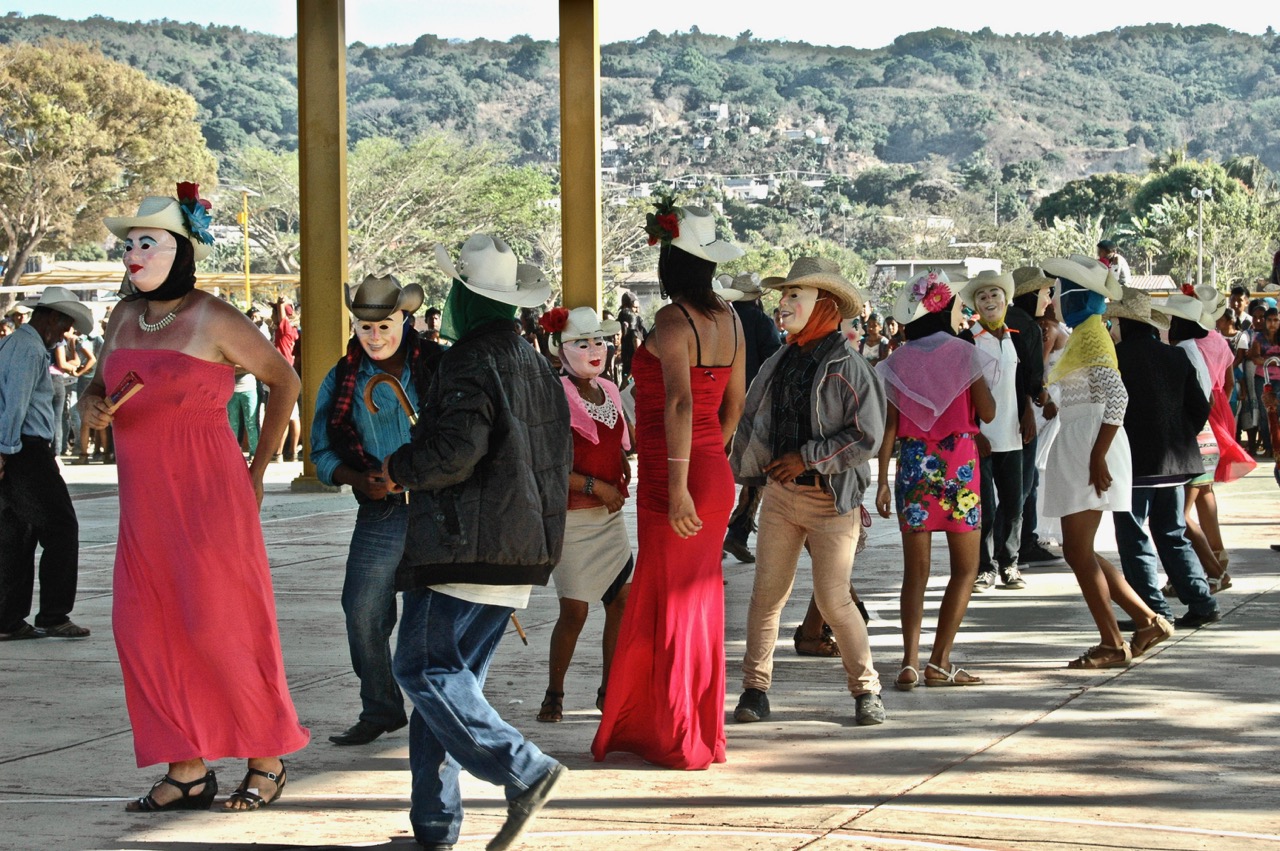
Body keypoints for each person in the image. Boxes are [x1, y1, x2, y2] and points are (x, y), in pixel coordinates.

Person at [82, 185, 309, 811]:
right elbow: (97, 384)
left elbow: (286, 380)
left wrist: (259, 469)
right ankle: (186, 769)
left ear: (180, 249)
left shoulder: (214, 316)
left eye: (147, 242)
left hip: (210, 497)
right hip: (144, 504)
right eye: (129, 244)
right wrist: (91, 405)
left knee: (220, 627)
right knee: (142, 630)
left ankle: (267, 759)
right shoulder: (124, 317)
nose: (132, 253)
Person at [383, 234, 571, 851]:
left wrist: (400, 467)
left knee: (422, 670)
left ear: (466, 298)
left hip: (464, 547)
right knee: (445, 695)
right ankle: (435, 826)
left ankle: (525, 769)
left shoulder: (470, 359)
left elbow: (455, 453)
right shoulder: (533, 361)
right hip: (518, 547)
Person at [593, 202, 745, 770]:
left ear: (670, 263)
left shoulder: (672, 320)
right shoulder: (730, 319)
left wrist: (680, 485)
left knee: (672, 602)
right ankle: (693, 730)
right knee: (694, 601)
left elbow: (679, 402)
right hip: (710, 470)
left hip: (673, 477)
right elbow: (734, 405)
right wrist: (708, 459)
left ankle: (678, 736)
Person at [729, 257, 887, 724]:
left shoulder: (850, 366)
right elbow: (754, 422)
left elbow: (867, 436)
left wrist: (808, 457)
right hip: (781, 496)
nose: (783, 303)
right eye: (784, 294)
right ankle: (754, 690)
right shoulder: (781, 359)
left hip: (829, 499)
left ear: (827, 305)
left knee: (834, 599)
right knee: (766, 597)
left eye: (795, 295)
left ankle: (867, 691)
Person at [311, 274, 441, 746]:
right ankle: (381, 706)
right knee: (363, 611)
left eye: (384, 326)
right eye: (365, 328)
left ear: (405, 321)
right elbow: (321, 452)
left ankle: (442, 711)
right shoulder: (342, 376)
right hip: (381, 512)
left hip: (437, 509)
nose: (375, 336)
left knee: (437, 619)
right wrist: (356, 478)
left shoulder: (439, 367)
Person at [1039, 256, 1163, 668]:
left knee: (1078, 551)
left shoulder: (1091, 334)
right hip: (1082, 440)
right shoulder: (1084, 333)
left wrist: (1097, 456)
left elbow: (1118, 397)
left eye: (1057, 293)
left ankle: (1114, 641)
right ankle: (1146, 621)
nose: (1052, 300)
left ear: (1073, 296)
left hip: (1091, 444)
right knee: (1081, 550)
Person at [876, 271, 996, 689]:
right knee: (966, 568)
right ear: (943, 308)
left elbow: (890, 427)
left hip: (913, 464)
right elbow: (989, 411)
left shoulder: (897, 360)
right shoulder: (965, 352)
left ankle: (909, 662)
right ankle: (939, 661)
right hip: (959, 463)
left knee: (916, 572)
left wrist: (882, 481)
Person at [535, 306, 633, 723]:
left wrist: (620, 465)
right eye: (581, 343)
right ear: (560, 350)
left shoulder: (609, 389)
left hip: (609, 518)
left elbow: (617, 441)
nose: (594, 350)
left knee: (621, 602)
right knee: (574, 611)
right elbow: (548, 465)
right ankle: (554, 694)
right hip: (573, 518)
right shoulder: (553, 396)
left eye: (599, 341)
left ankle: (610, 691)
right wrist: (597, 486)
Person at [1107, 288, 1212, 645]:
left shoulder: (1116, 358)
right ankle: (1201, 601)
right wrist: (1179, 435)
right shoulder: (1175, 356)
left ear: (1124, 322)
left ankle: (1153, 612)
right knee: (1172, 533)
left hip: (1134, 462)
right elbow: (1199, 407)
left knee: (1134, 536)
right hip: (1175, 462)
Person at [0, 287, 93, 641]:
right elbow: (16, 403)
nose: (64, 335)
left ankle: (8, 618)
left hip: (19, 447)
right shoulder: (27, 348)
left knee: (17, 533)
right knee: (61, 527)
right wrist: (6, 449)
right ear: (52, 318)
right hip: (25, 449)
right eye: (65, 326)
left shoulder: (16, 344)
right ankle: (54, 614)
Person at [959, 271, 1038, 592]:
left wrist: (1028, 410)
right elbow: (962, 393)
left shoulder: (1014, 337)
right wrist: (973, 431)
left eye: (995, 294)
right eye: (983, 296)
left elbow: (1022, 381)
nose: (989, 300)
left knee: (1014, 504)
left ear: (1006, 301)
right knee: (985, 508)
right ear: (976, 305)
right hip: (980, 439)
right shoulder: (967, 341)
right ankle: (984, 568)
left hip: (1012, 436)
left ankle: (1009, 564)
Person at [722, 271, 783, 564]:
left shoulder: (721, 321)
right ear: (757, 297)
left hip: (717, 407)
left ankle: (710, 538)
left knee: (716, 474)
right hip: (753, 408)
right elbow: (775, 363)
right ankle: (738, 532)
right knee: (755, 476)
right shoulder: (762, 322)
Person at [1009, 267, 1060, 567]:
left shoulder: (1006, 321)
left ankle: (1014, 542)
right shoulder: (1028, 327)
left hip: (1005, 414)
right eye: (1044, 293)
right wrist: (1039, 398)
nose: (1048, 299)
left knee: (1018, 480)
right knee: (1025, 481)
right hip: (1023, 412)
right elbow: (1031, 375)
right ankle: (1021, 543)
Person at [271, 297, 302, 460]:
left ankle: (278, 452)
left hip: (283, 375)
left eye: (274, 312)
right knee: (292, 415)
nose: (272, 315)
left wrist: (280, 304)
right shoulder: (290, 331)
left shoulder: (285, 329)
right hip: (288, 375)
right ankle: (292, 451)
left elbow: (283, 318)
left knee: (282, 416)